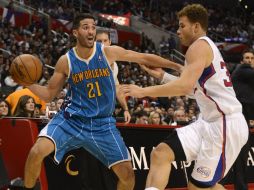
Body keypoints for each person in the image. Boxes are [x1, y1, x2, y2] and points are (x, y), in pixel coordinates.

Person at [13, 13, 182, 190]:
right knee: (36, 151)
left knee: (128, 177)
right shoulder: (65, 61)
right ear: (76, 32)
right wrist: (28, 83)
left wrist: (176, 66)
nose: (91, 31)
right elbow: (48, 95)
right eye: (86, 27)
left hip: (103, 124)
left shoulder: (107, 52)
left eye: (93, 27)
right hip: (71, 120)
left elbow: (143, 57)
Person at [121, 4, 248, 190]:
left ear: (196, 27)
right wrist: (161, 76)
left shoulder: (198, 47)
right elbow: (194, 90)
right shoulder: (205, 48)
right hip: (208, 122)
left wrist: (141, 91)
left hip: (225, 125)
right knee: (161, 153)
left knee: (198, 187)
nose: (178, 31)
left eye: (182, 25)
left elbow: (184, 87)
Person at [220, 49, 254, 190]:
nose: (249, 60)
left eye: (252, 58)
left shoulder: (248, 77)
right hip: (236, 118)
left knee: (241, 155)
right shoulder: (242, 69)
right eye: (247, 57)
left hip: (242, 119)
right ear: (242, 61)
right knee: (237, 155)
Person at [96, 29, 131, 123]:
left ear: (110, 42)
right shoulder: (88, 60)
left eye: (105, 41)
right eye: (99, 41)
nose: (102, 44)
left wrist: (126, 109)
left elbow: (117, 89)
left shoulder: (115, 65)